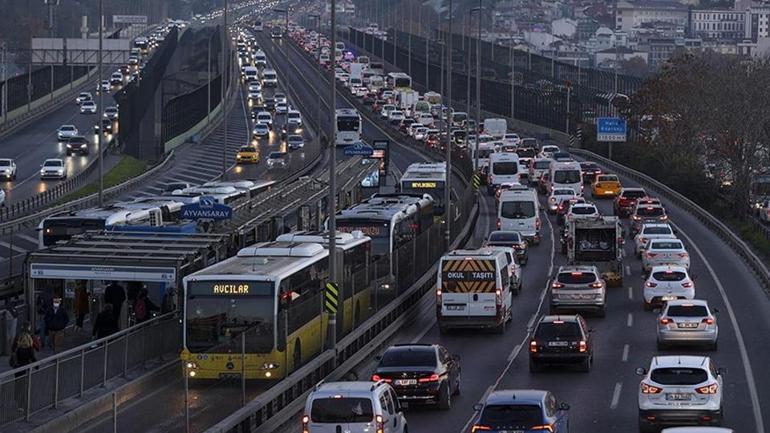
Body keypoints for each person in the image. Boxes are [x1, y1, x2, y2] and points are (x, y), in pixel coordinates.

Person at [11, 322, 37, 411]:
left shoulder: (18, 340)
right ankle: (22, 404)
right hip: (26, 368)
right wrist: (37, 366)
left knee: (18, 384)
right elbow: (34, 356)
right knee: (25, 386)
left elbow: (12, 349)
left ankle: (17, 398)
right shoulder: (30, 347)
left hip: (17, 368)